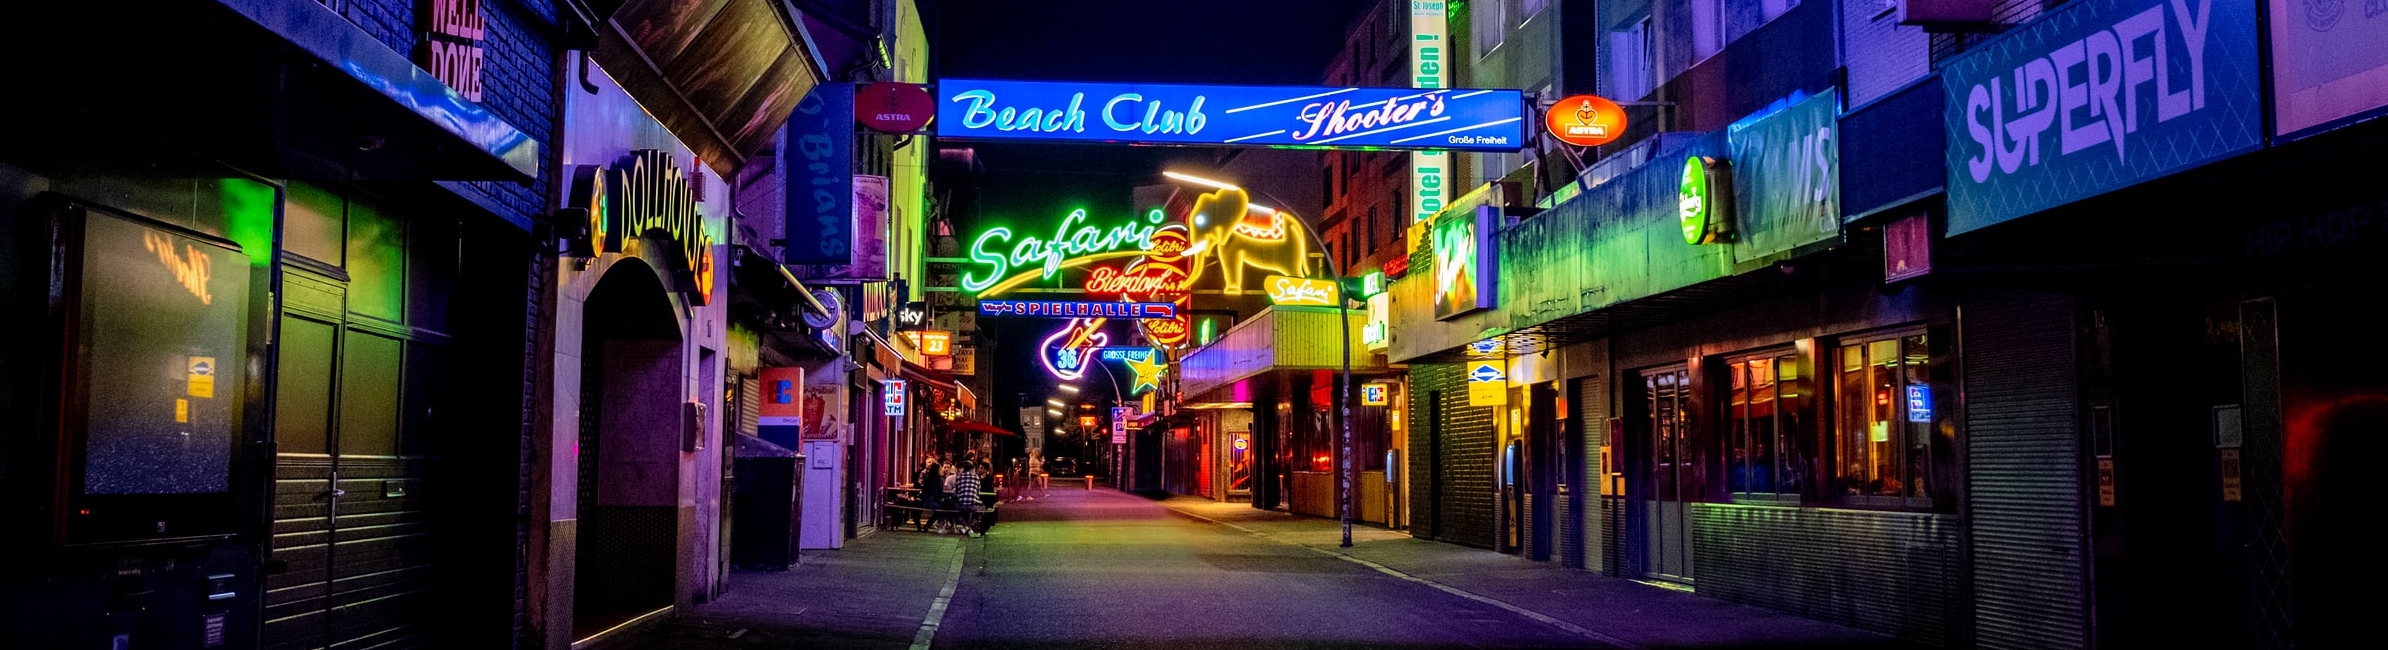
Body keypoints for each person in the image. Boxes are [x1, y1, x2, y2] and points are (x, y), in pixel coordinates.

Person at [949, 461, 982, 537]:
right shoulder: (976, 477)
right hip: (973, 504)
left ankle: (966, 527)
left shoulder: (959, 477)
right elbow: (978, 491)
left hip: (961, 504)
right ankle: (969, 526)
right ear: (972, 469)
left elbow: (957, 491)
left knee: (954, 511)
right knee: (981, 510)